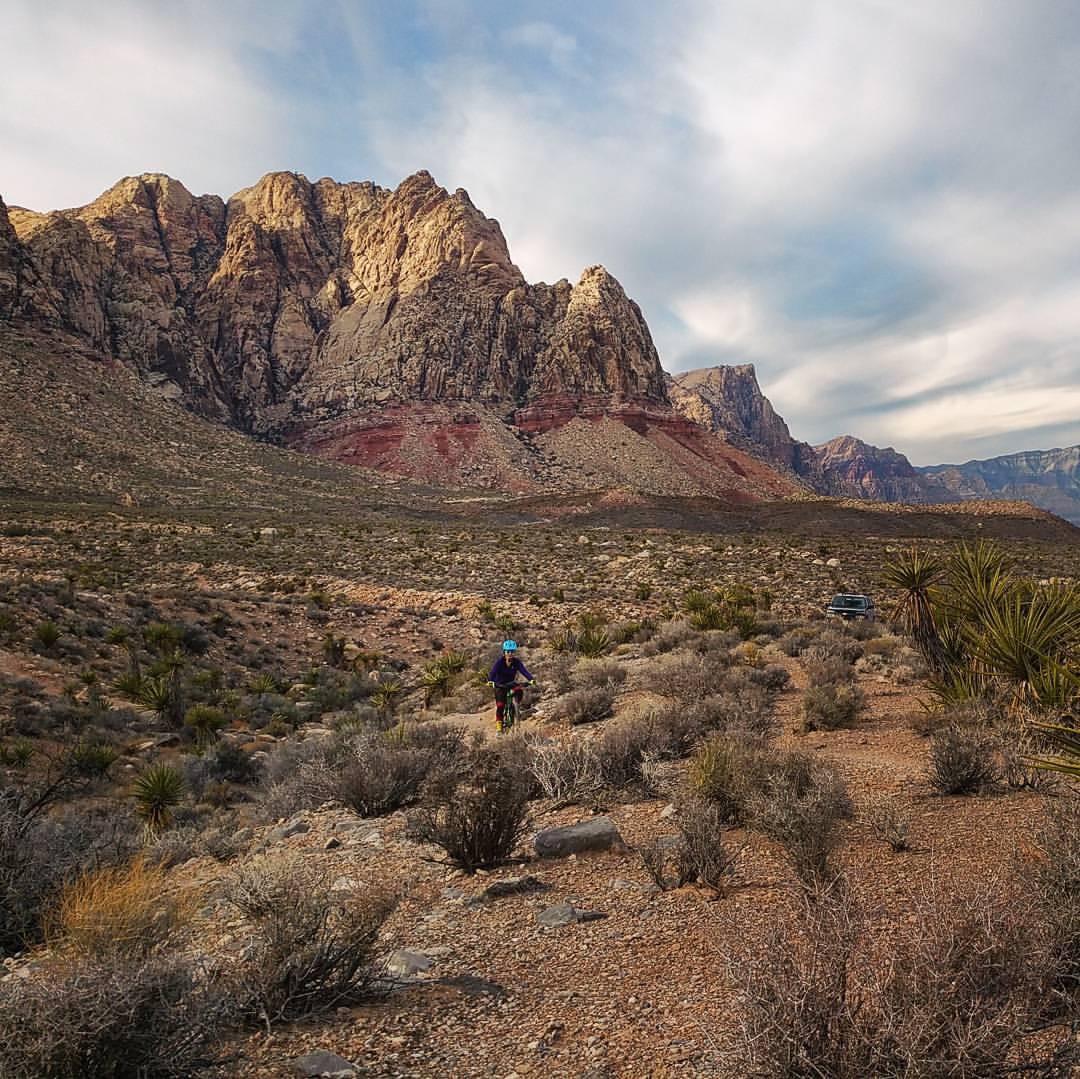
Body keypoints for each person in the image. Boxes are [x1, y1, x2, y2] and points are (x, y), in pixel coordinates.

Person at [488, 639, 534, 733]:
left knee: (519, 690)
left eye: (512, 652)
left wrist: (531, 679)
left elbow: (523, 671)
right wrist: (490, 681)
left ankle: (515, 707)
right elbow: (492, 673)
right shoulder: (499, 662)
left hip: (510, 683)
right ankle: (499, 727)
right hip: (499, 684)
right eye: (508, 651)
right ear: (504, 652)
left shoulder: (516, 662)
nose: (510, 654)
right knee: (500, 705)